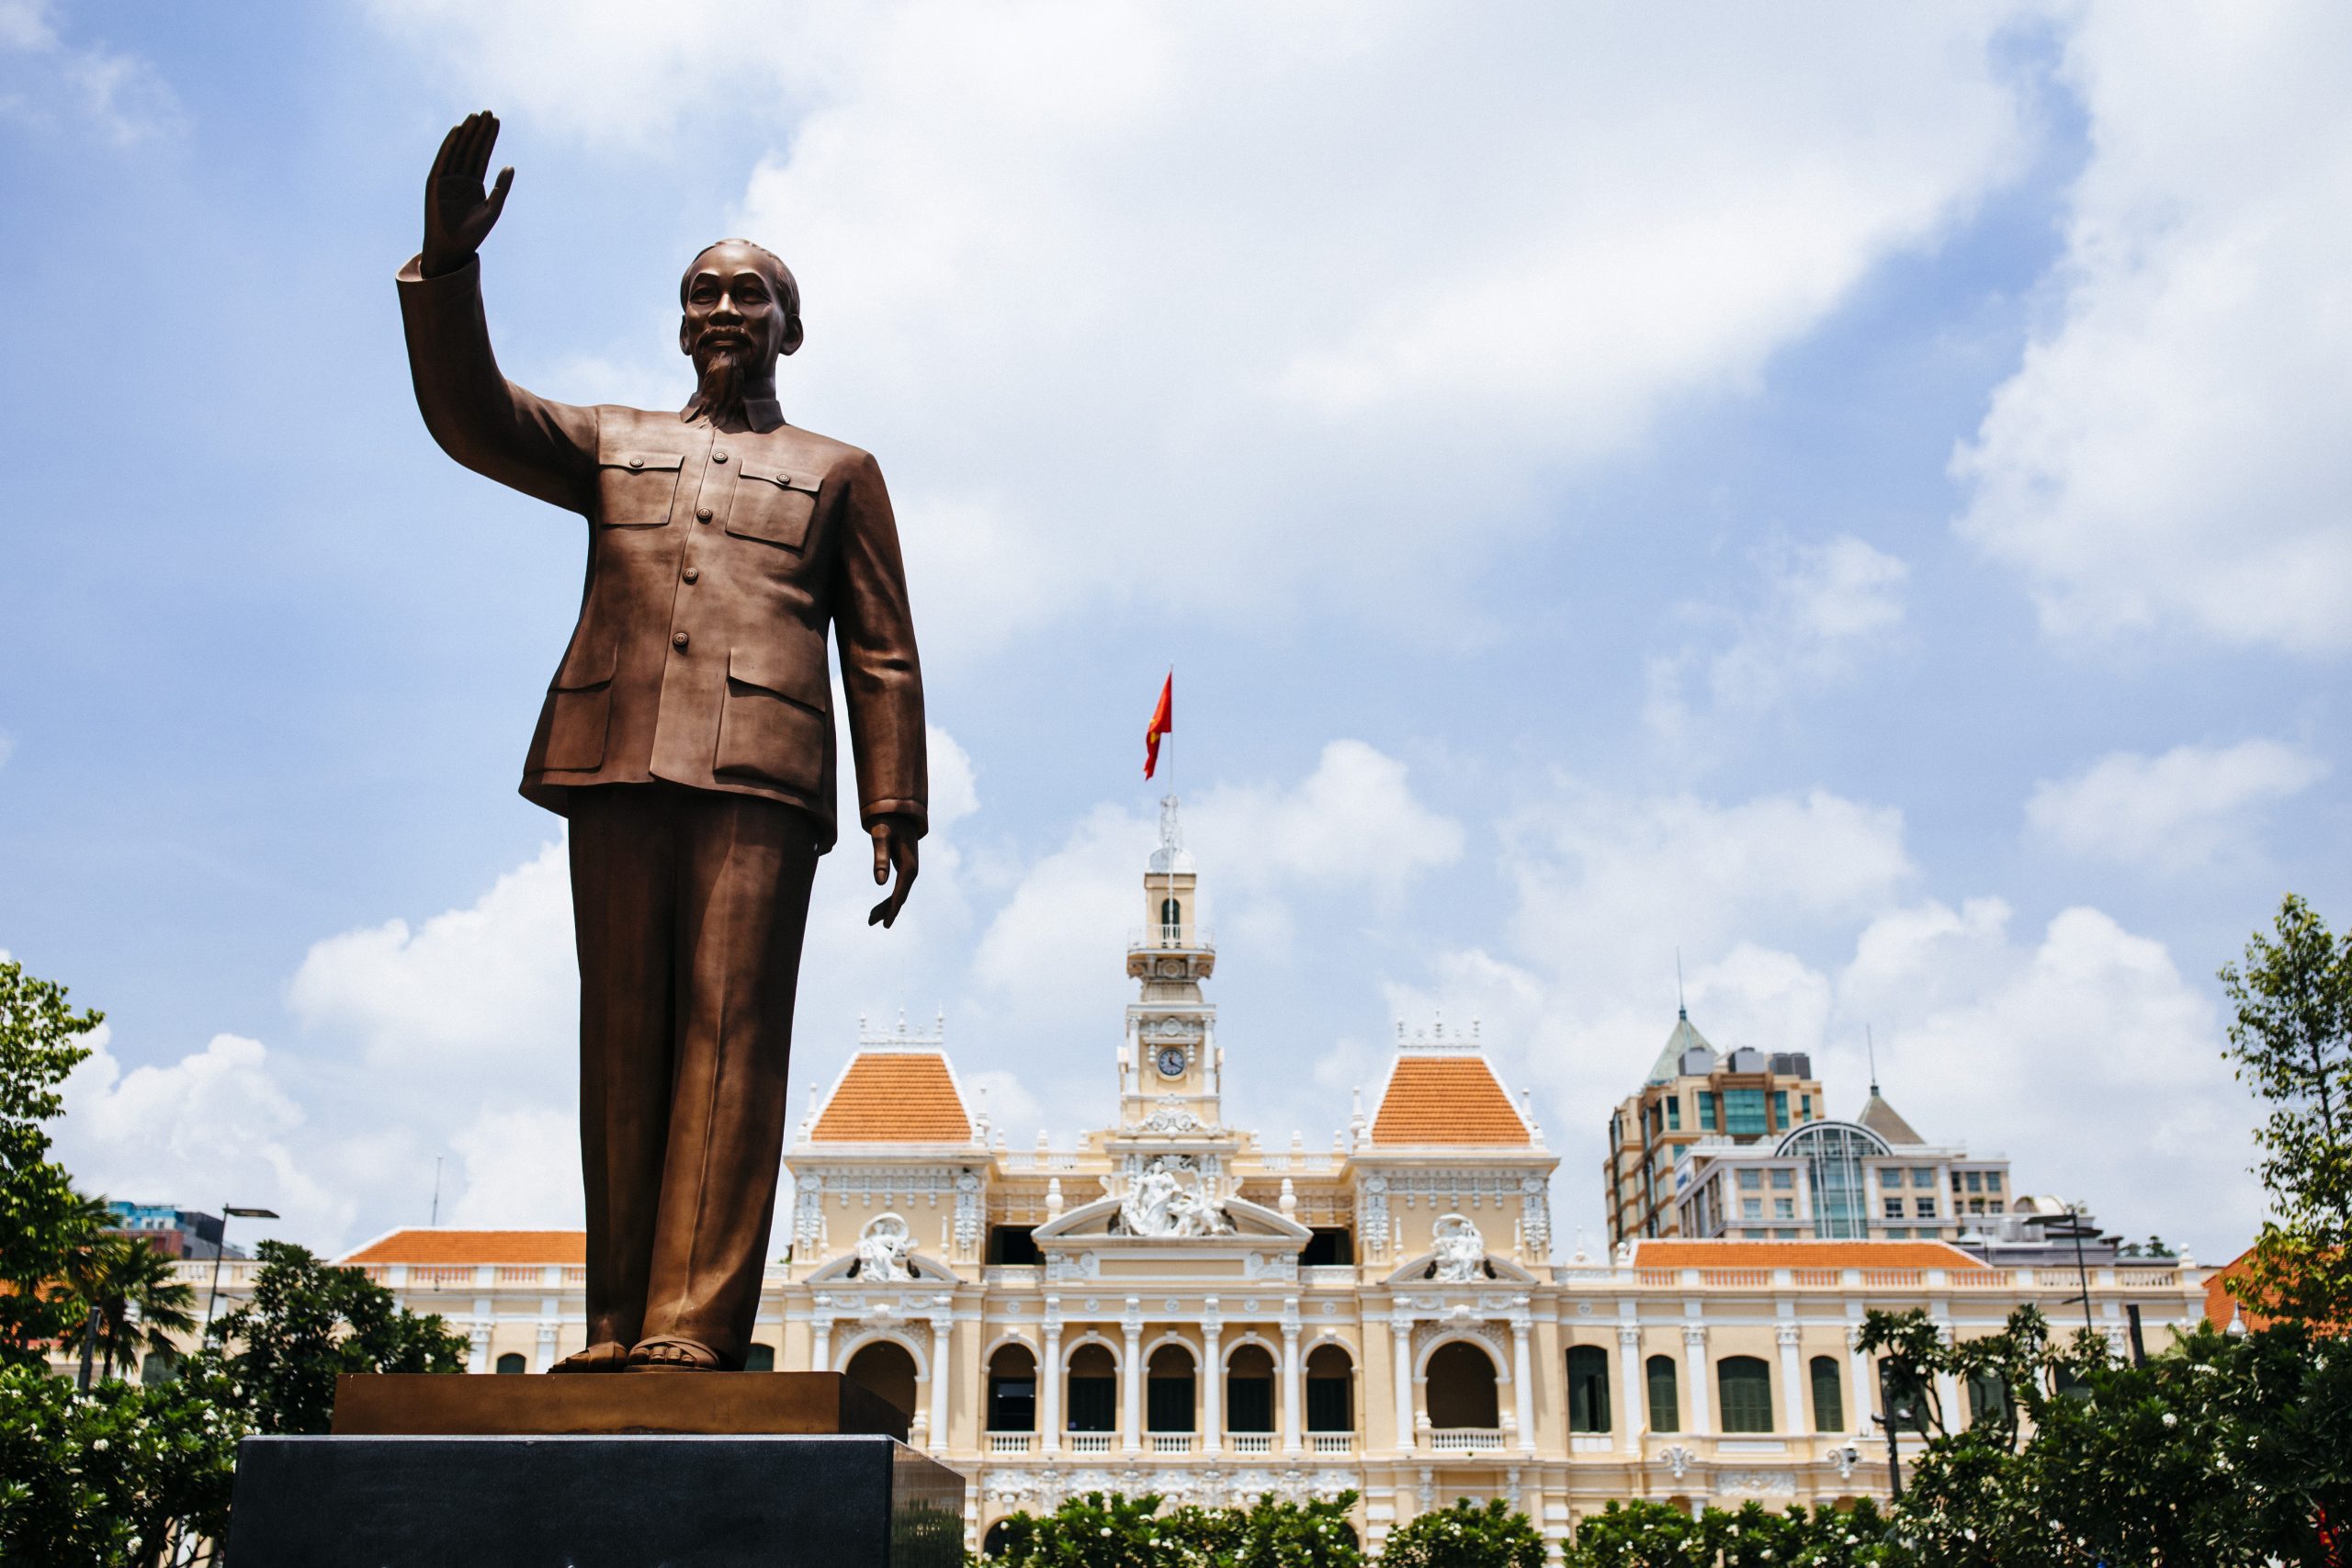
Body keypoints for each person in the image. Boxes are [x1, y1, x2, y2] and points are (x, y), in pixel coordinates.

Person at [397, 112, 926, 1372]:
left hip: (762, 770)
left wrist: (894, 801)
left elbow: (884, 647)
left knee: (731, 1034)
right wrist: (448, 266)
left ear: (788, 325)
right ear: (680, 320)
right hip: (616, 752)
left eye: (749, 293)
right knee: (621, 1033)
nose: (724, 310)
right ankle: (614, 1327)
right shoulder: (610, 442)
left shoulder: (838, 468)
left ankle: (692, 1329)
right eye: (703, 293)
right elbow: (472, 418)